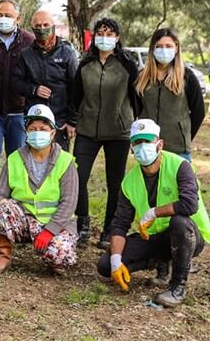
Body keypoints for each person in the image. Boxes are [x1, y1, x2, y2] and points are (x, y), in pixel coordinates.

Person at [97, 119, 210, 307]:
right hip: (155, 238)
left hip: (189, 236)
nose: (142, 147)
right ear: (132, 148)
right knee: (105, 266)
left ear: (159, 144)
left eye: (147, 141)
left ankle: (177, 288)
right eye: (137, 143)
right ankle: (161, 262)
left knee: (179, 223)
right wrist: (116, 261)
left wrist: (154, 213)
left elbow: (190, 205)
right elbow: (120, 223)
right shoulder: (129, 181)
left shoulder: (180, 166)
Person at [0, 104, 79, 275]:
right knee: (2, 206)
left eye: (43, 128)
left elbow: (69, 203)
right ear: (26, 131)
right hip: (23, 220)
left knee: (61, 256)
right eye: (32, 129)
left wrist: (50, 231)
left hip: (56, 224)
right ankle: (3, 256)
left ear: (53, 132)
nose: (37, 132)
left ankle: (53, 258)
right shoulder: (15, 158)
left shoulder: (65, 161)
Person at [68, 18, 139, 248]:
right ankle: (83, 223)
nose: (104, 37)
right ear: (94, 36)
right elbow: (75, 96)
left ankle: (110, 229)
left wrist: (136, 129)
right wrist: (73, 120)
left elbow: (137, 99)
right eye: (100, 32)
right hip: (87, 129)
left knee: (115, 182)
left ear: (117, 37)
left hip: (119, 131)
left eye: (110, 33)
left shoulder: (126, 64)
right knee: (77, 176)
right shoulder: (85, 63)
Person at [0, 0, 35, 200]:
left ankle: (16, 195)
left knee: (18, 156)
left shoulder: (29, 41)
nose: (3, 19)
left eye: (8, 15)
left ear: (18, 18)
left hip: (19, 111)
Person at [11, 10, 79, 150]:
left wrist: (72, 121)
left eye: (45, 24)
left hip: (60, 121)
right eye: (38, 25)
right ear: (32, 29)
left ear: (53, 25)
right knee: (33, 165)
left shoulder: (67, 52)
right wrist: (34, 90)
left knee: (59, 164)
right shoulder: (26, 54)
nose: (42, 28)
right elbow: (15, 83)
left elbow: (76, 88)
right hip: (35, 120)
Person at [134, 28, 204, 161]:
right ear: (152, 49)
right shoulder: (142, 77)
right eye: (159, 46)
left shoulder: (187, 76)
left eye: (168, 46)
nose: (163, 50)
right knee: (150, 182)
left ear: (176, 48)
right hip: (148, 148)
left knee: (181, 182)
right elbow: (135, 110)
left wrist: (185, 136)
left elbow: (198, 112)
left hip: (178, 149)